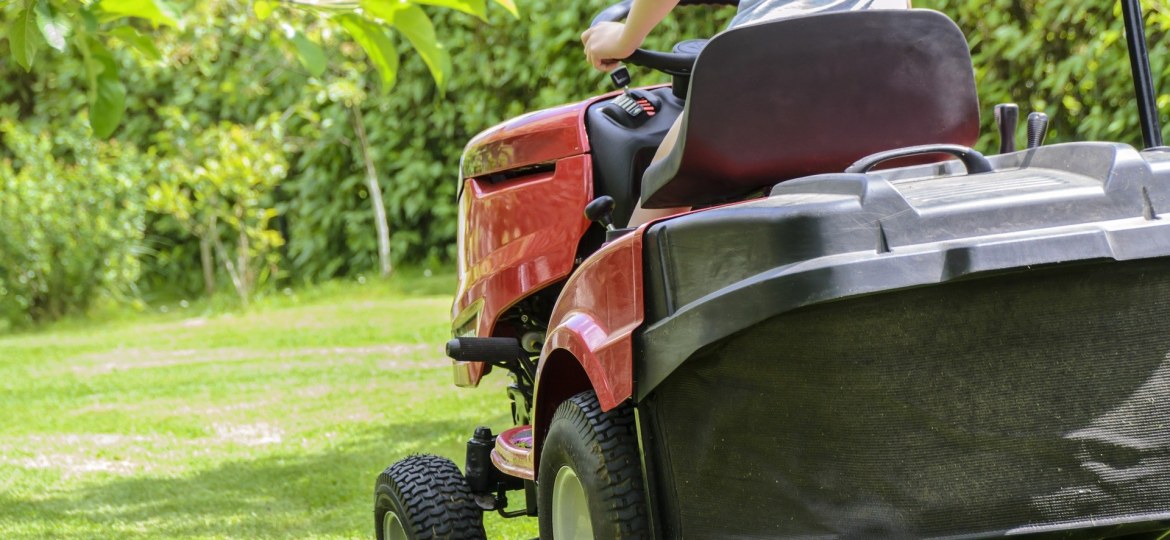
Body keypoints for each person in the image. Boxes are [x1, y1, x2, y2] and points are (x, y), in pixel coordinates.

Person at [581, 0, 910, 225]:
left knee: (663, 190)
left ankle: (624, 313)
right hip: (894, 74)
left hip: (771, 74)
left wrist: (623, 40)